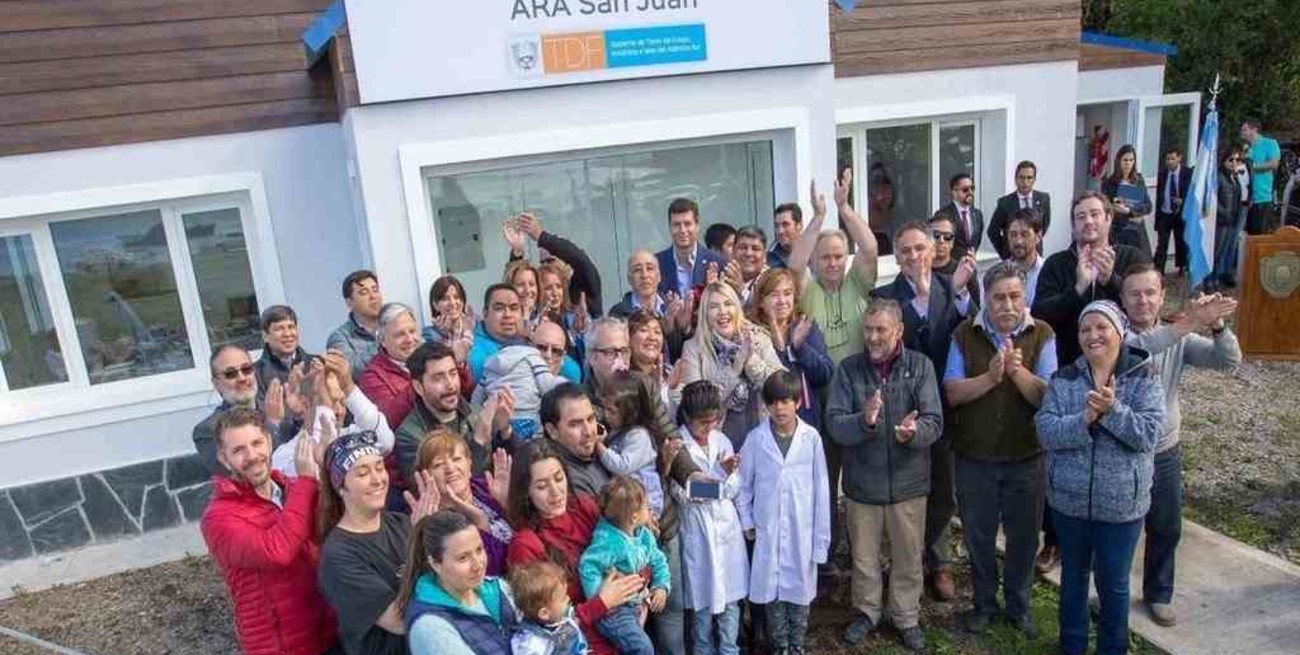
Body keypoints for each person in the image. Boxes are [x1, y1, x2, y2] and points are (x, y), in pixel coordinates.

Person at [1035, 300, 1165, 655]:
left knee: (1114, 584)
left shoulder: (1143, 377)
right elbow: (1046, 432)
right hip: (1070, 503)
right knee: (1073, 580)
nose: (1092, 335)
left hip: (1122, 507)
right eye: (1084, 329)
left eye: (1101, 327)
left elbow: (1148, 435)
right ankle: (1072, 646)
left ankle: (1113, 647)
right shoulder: (1064, 379)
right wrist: (1084, 420)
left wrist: (1111, 411)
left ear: (1119, 332)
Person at [1121, 265, 1241, 626]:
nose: (1142, 301)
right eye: (1134, 294)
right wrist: (1190, 321)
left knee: (1166, 526)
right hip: (1123, 452)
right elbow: (1143, 348)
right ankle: (1111, 594)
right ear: (1122, 300)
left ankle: (1158, 594)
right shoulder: (1114, 333)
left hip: (1164, 451)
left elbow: (1229, 361)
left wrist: (1217, 326)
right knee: (1120, 531)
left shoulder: (1178, 337)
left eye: (1150, 293)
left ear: (1161, 296)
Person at [942, 262, 1057, 637]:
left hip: (1026, 457)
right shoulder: (964, 334)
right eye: (998, 298)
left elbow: (1048, 397)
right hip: (974, 458)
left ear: (1024, 298)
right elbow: (953, 392)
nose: (1007, 305)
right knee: (978, 536)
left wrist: (1017, 374)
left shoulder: (1043, 334)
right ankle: (984, 604)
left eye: (1014, 297)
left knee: (1024, 538)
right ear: (985, 300)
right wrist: (991, 376)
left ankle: (1018, 606)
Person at [827, 300, 943, 653]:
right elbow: (834, 424)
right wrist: (864, 420)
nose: (873, 337)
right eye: (868, 330)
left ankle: (905, 616)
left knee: (909, 556)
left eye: (881, 330)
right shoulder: (848, 370)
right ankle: (867, 611)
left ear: (899, 331)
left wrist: (914, 432)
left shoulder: (920, 366)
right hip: (863, 485)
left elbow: (934, 422)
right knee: (863, 558)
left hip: (909, 484)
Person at [583, 317, 699, 655]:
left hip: (661, 522)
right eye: (610, 352)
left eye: (623, 350)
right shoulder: (581, 399)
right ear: (591, 356)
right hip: (616, 534)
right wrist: (629, 513)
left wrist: (692, 477)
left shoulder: (641, 386)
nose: (620, 359)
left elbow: (668, 435)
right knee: (630, 623)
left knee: (671, 604)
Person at [872, 221, 973, 601]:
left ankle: (939, 560)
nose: (914, 257)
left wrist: (952, 294)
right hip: (901, 408)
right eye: (906, 251)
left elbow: (970, 331)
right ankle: (903, 561)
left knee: (943, 489)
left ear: (933, 251)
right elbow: (892, 342)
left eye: (920, 249)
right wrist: (919, 304)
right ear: (896, 257)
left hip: (943, 409)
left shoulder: (954, 287)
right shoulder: (884, 295)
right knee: (904, 491)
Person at [201, 407, 338, 655]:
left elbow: (333, 528)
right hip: (279, 645)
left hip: (326, 631)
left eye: (256, 443)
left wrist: (327, 467)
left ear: (269, 441)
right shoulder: (218, 517)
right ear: (223, 458)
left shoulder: (291, 488)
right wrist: (308, 483)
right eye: (239, 450)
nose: (252, 455)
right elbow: (277, 551)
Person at [506, 439, 648, 655]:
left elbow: (633, 544)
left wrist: (636, 586)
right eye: (542, 486)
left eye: (559, 478)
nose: (555, 492)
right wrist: (602, 602)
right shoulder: (525, 544)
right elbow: (543, 626)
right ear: (527, 492)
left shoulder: (584, 506)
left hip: (628, 625)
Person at [317, 431, 436, 655]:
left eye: (380, 468)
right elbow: (400, 620)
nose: (377, 479)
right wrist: (420, 546)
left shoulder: (402, 523)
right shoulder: (338, 555)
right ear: (341, 488)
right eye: (362, 473)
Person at [737, 372, 830, 655]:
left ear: (798, 402)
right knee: (772, 595)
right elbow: (743, 485)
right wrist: (748, 520)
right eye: (773, 402)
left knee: (799, 594)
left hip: (803, 530)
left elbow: (822, 490)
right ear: (766, 405)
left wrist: (820, 539)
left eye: (786, 401)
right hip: (768, 531)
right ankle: (780, 647)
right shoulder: (755, 439)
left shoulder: (811, 438)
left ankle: (797, 646)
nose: (779, 408)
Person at [1034, 192, 1153, 369]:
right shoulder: (1056, 264)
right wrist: (1077, 289)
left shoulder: (1132, 258)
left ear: (1109, 218)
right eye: (1081, 217)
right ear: (1074, 226)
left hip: (1125, 367)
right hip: (1069, 367)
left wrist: (1111, 281)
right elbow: (1041, 316)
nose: (1088, 221)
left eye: (1095, 214)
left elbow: (1146, 310)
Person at [672, 381, 748, 655]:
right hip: (697, 533)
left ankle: (729, 650)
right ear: (687, 418)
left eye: (713, 421)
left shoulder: (722, 440)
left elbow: (734, 487)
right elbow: (684, 493)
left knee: (730, 604)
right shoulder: (678, 446)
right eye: (702, 423)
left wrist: (721, 479)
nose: (709, 428)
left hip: (726, 532)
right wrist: (720, 473)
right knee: (702, 607)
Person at [674, 282, 785, 450]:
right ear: (705, 314)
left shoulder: (758, 338)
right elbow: (696, 406)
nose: (723, 312)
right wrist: (735, 368)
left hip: (764, 441)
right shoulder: (693, 349)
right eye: (714, 307)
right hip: (719, 446)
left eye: (728, 304)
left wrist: (751, 361)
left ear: (737, 308)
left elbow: (781, 387)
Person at [788, 173, 879, 365]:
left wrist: (844, 208)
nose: (832, 263)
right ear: (813, 260)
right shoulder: (808, 289)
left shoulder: (857, 282)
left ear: (847, 258)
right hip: (822, 388)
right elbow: (795, 266)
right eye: (825, 257)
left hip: (859, 386)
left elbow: (870, 248)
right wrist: (819, 217)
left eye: (838, 257)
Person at [399, 511, 519, 655]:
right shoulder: (431, 627)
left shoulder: (499, 588)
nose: (478, 565)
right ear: (435, 564)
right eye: (463, 558)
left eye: (479, 550)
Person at [578, 477, 671, 655]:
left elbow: (658, 560)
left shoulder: (643, 534)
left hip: (634, 604)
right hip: (615, 612)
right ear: (633, 517)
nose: (649, 509)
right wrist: (601, 599)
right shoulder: (609, 542)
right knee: (643, 649)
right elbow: (587, 565)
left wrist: (661, 586)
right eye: (645, 505)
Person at [396, 342, 513, 482]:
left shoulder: (476, 413)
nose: (450, 385)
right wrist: (479, 440)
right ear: (418, 387)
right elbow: (441, 491)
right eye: (438, 378)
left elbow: (512, 466)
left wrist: (505, 430)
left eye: (453, 374)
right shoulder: (410, 435)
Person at [271, 352, 395, 480]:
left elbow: (385, 442)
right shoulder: (284, 455)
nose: (339, 411)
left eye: (342, 402)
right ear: (305, 404)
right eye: (330, 402)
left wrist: (349, 388)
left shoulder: (351, 435)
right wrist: (322, 403)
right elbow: (317, 469)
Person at [415, 431, 515, 576]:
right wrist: (482, 526)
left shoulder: (486, 487)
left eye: (456, 459)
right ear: (425, 476)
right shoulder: (430, 520)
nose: (450, 469)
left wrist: (508, 505)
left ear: (469, 464)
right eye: (438, 465)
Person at [749, 268, 834, 431]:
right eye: (774, 295)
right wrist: (778, 344)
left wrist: (799, 348)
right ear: (760, 301)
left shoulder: (805, 326)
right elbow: (774, 382)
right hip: (766, 426)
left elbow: (825, 374)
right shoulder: (752, 333)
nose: (782, 301)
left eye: (787, 293)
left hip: (806, 424)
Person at [193, 344, 293, 475]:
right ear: (216, 383)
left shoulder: (278, 406)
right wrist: (272, 424)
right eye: (230, 374)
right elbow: (241, 475)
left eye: (246, 369)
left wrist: (301, 413)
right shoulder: (207, 431)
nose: (241, 378)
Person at [471, 319, 570, 441]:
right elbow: (475, 406)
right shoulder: (532, 359)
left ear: (564, 358)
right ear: (530, 346)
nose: (548, 355)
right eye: (541, 347)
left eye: (556, 351)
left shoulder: (490, 364)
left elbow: (475, 398)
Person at [593, 371, 669, 520]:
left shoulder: (639, 436)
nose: (606, 415)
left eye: (612, 411)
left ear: (630, 412)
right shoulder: (618, 430)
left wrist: (600, 447)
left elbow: (622, 466)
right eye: (605, 409)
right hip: (628, 501)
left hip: (645, 503)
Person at [469, 284, 580, 383]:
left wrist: (538, 340)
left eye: (514, 308)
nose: (508, 314)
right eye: (499, 308)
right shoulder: (473, 346)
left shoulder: (529, 338)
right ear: (485, 313)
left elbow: (574, 374)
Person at [507, 212, 604, 323]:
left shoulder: (581, 300)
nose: (549, 266)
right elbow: (518, 286)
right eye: (543, 262)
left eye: (552, 260)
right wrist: (517, 253)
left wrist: (541, 236)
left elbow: (582, 262)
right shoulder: (534, 318)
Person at [607, 250, 693, 362]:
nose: (644, 275)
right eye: (637, 270)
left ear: (659, 276)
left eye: (650, 268)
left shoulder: (673, 307)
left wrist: (684, 329)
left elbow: (684, 356)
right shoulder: (619, 314)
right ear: (629, 279)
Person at [359, 303, 426, 431]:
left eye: (412, 331)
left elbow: (464, 394)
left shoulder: (430, 357)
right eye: (400, 334)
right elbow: (387, 421)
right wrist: (423, 380)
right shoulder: (372, 376)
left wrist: (458, 365)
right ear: (382, 341)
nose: (410, 339)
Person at [509, 561, 590, 655]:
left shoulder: (561, 618)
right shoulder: (532, 644)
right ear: (544, 613)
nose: (568, 598)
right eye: (563, 598)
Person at [656, 198, 729, 299]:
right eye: (676, 225)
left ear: (697, 225)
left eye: (687, 224)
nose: (682, 230)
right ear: (670, 227)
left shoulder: (718, 262)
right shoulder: (657, 264)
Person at [422, 275, 476, 393]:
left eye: (457, 297)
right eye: (446, 299)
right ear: (435, 305)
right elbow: (447, 365)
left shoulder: (474, 325)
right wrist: (447, 335)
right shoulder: (429, 334)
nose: (452, 303)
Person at [988, 160, 1052, 258]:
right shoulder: (1005, 203)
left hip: (1035, 255)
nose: (1025, 182)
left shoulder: (1043, 199)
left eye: (1029, 178)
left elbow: (1044, 225)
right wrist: (1005, 252)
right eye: (1021, 178)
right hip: (1013, 256)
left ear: (1034, 179)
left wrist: (1033, 241)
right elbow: (992, 231)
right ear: (1015, 179)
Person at [328, 270, 384, 377]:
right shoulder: (340, 337)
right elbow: (349, 372)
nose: (373, 297)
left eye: (375, 290)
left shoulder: (393, 323)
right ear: (349, 303)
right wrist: (383, 340)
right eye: (364, 292)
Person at [254, 304, 313, 407]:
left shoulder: (316, 364)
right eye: (279, 329)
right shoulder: (256, 374)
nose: (287, 334)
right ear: (265, 337)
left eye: (291, 327)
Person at [1101, 144, 1153, 256]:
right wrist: (1114, 208)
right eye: (1125, 160)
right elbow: (1105, 208)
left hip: (1137, 232)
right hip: (1119, 232)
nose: (1128, 163)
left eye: (1131, 160)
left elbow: (1148, 206)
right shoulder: (1109, 183)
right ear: (1118, 161)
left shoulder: (1138, 180)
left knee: (1141, 266)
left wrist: (1130, 211)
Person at [990, 208, 1047, 308]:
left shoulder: (1048, 272)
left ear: (1038, 237)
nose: (1018, 241)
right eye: (1013, 235)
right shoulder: (996, 274)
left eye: (1025, 234)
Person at [1154, 149, 1194, 277]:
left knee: (1181, 241)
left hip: (1180, 213)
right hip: (1165, 213)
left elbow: (1193, 194)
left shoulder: (1188, 173)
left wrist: (1183, 201)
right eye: (1167, 159)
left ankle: (1182, 267)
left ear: (1179, 158)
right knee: (1162, 243)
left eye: (1172, 158)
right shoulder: (1163, 174)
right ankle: (1159, 269)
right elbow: (1159, 194)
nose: (1170, 162)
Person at [1212, 146, 1248, 289]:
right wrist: (1223, 214)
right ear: (1223, 161)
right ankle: (1211, 279)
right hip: (1221, 221)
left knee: (1224, 251)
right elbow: (1214, 200)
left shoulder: (1234, 177)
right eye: (1230, 160)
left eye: (1237, 160)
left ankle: (1217, 278)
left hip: (1233, 219)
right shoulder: (1219, 176)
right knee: (1215, 252)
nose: (1234, 163)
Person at [928, 211, 981, 304]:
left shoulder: (964, 271)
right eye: (936, 235)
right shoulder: (918, 270)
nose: (941, 240)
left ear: (952, 243)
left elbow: (974, 313)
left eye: (947, 236)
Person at [1241, 117, 1282, 235]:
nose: (1242, 133)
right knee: (1246, 234)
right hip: (1245, 198)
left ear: (1255, 129)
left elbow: (1274, 164)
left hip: (1262, 197)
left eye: (1245, 130)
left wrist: (1251, 167)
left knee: (1259, 234)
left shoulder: (1269, 143)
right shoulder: (1245, 147)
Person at [940, 173, 984, 259]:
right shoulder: (944, 214)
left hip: (971, 266)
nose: (970, 192)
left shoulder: (978, 214)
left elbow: (976, 241)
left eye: (972, 188)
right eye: (965, 190)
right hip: (951, 268)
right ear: (954, 192)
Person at [726, 225, 771, 305]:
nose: (748, 253)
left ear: (764, 256)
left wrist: (742, 292)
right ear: (733, 253)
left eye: (755, 249)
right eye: (743, 248)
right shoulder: (724, 279)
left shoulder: (772, 282)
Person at [768, 203, 803, 269]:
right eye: (776, 226)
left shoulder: (813, 251)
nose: (780, 231)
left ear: (799, 225)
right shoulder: (769, 259)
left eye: (785, 225)